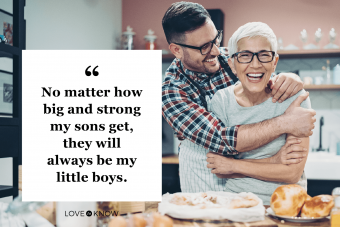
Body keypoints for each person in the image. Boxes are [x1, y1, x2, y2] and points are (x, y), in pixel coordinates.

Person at [161, 2, 316, 193]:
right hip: (203, 166)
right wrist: (284, 127)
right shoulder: (172, 92)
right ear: (176, 50)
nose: (217, 51)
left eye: (216, 39)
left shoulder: (231, 57)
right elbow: (223, 141)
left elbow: (262, 70)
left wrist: (289, 78)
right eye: (204, 47)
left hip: (236, 169)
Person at [206, 22, 310, 205]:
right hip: (236, 204)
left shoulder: (294, 98)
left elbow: (292, 172)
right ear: (232, 64)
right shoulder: (221, 101)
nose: (255, 65)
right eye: (245, 56)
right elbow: (219, 168)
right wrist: (275, 161)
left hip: (286, 205)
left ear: (274, 62)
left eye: (264, 55)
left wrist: (234, 165)